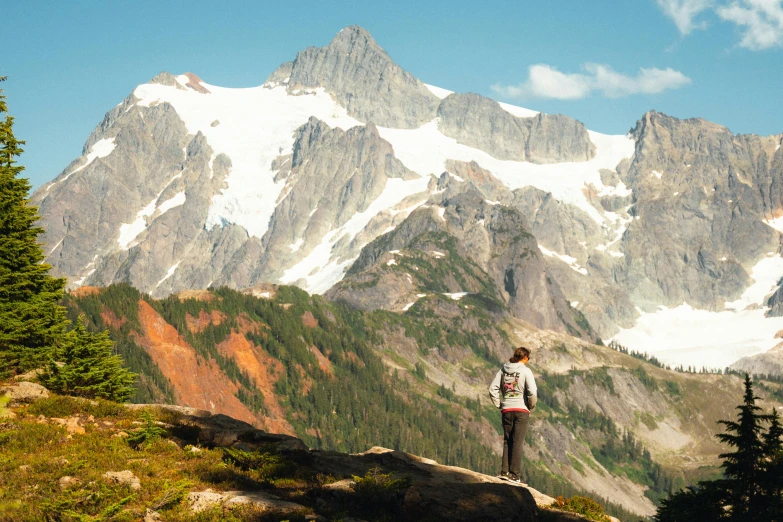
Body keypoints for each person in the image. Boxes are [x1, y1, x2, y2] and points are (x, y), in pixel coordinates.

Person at [488, 346, 537, 485]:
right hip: (521, 410)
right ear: (525, 357)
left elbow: (493, 389)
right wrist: (531, 405)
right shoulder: (526, 371)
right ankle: (514, 475)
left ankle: (504, 472)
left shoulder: (503, 370)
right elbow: (532, 392)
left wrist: (500, 404)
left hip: (507, 409)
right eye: (529, 358)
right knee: (517, 442)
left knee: (507, 440)